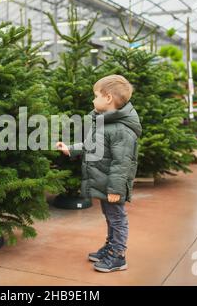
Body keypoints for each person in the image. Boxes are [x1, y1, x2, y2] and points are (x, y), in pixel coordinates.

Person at [56, 75, 142, 272]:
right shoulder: (104, 122)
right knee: (110, 216)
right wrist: (70, 148)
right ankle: (110, 247)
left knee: (117, 218)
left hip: (113, 185)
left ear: (108, 98)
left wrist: (115, 190)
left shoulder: (121, 129)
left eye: (95, 96)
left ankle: (118, 256)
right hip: (105, 182)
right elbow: (90, 145)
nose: (93, 100)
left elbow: (122, 164)